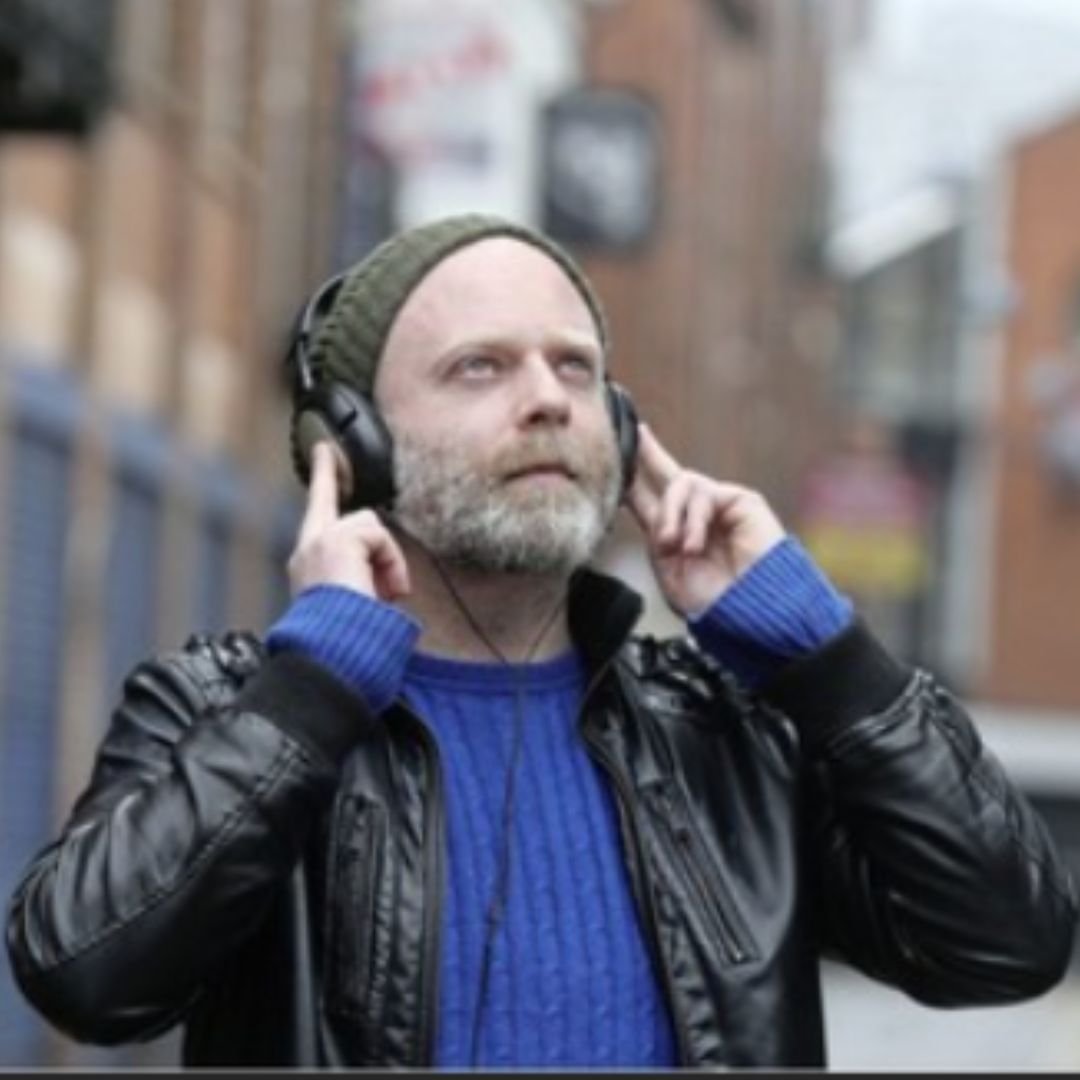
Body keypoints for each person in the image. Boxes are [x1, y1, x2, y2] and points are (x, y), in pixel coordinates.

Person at [6, 214, 1077, 1070]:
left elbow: (1008, 943)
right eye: (480, 367)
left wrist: (822, 654)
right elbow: (86, 976)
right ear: (353, 445)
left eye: (574, 368)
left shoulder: (725, 736)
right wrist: (313, 689)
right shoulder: (227, 708)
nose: (547, 402)